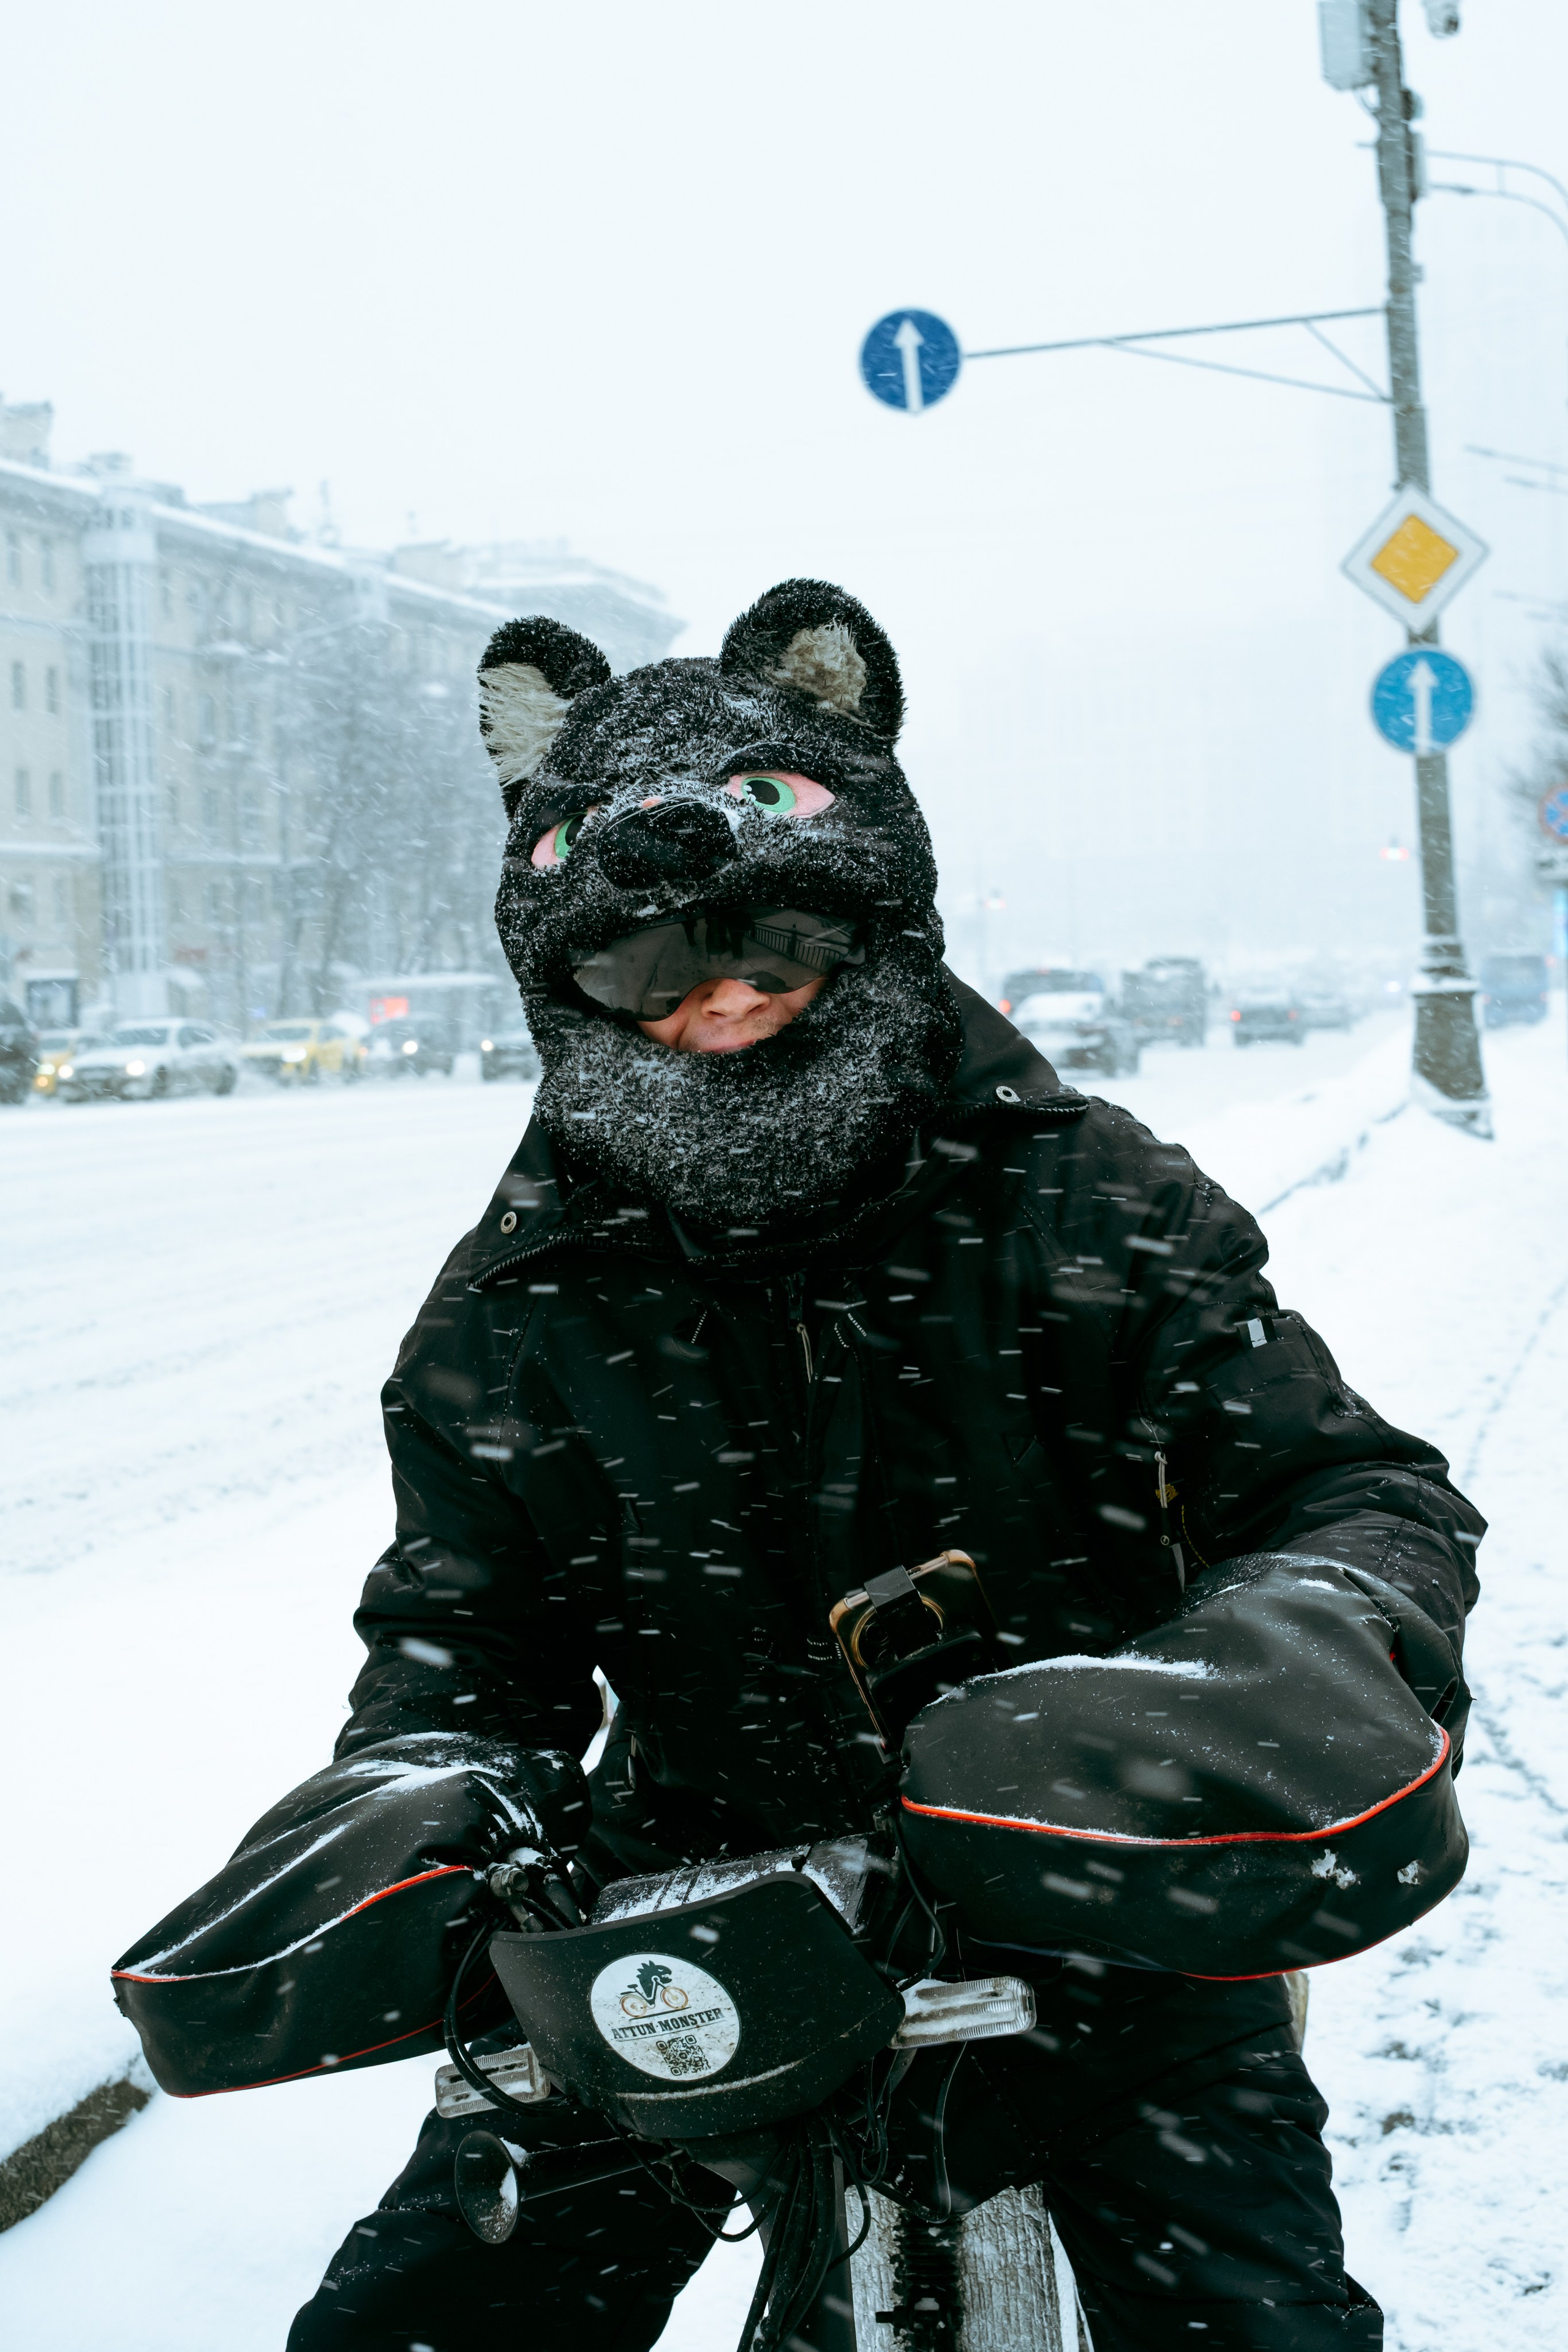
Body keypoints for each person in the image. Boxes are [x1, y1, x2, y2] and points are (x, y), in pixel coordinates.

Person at [115, 582, 1480, 2350]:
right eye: (648, 970)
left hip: (1106, 1890)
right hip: (686, 1910)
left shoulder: (1087, 1197)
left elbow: (1348, 1491)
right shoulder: (514, 1305)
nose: (722, 1002)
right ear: (568, 989)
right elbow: (466, 1637)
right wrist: (443, 1798)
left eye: (773, 942)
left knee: (1254, 2316)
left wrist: (1279, 1653)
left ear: (875, 923)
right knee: (426, 2320)